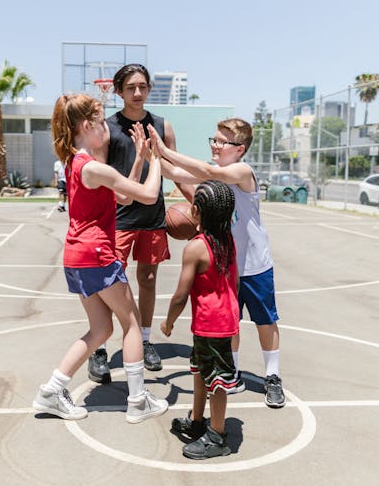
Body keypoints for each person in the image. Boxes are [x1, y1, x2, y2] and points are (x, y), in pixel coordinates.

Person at [32, 94, 168, 423]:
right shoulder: (91, 166)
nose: (107, 126)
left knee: (100, 328)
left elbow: (122, 195)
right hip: (96, 254)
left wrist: (139, 159)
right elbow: (148, 196)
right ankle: (138, 401)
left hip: (77, 255)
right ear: (87, 125)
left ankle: (51, 391)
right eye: (102, 119)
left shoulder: (78, 163)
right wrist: (158, 159)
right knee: (132, 323)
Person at [149, 118, 286, 409]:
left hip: (255, 264)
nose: (215, 145)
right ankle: (232, 372)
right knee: (229, 324)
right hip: (227, 264)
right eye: (213, 139)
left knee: (265, 320)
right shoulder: (212, 176)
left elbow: (208, 171)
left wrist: (165, 149)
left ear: (240, 149)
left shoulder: (242, 171)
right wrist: (148, 153)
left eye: (222, 141)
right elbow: (176, 172)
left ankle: (272, 376)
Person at [87, 63, 193, 383]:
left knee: (147, 279)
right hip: (116, 220)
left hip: (152, 218)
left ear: (148, 89)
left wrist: (198, 206)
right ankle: (100, 349)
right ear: (118, 91)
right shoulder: (107, 129)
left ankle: (145, 340)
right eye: (131, 87)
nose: (137, 93)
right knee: (108, 286)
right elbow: (100, 178)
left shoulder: (162, 126)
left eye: (142, 87)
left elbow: (175, 172)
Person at [161, 180, 239, 459]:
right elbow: (236, 282)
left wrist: (168, 322)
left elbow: (181, 295)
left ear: (195, 211)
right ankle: (197, 421)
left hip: (211, 324)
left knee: (216, 381)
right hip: (220, 320)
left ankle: (217, 436)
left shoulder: (195, 248)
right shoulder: (227, 239)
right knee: (199, 369)